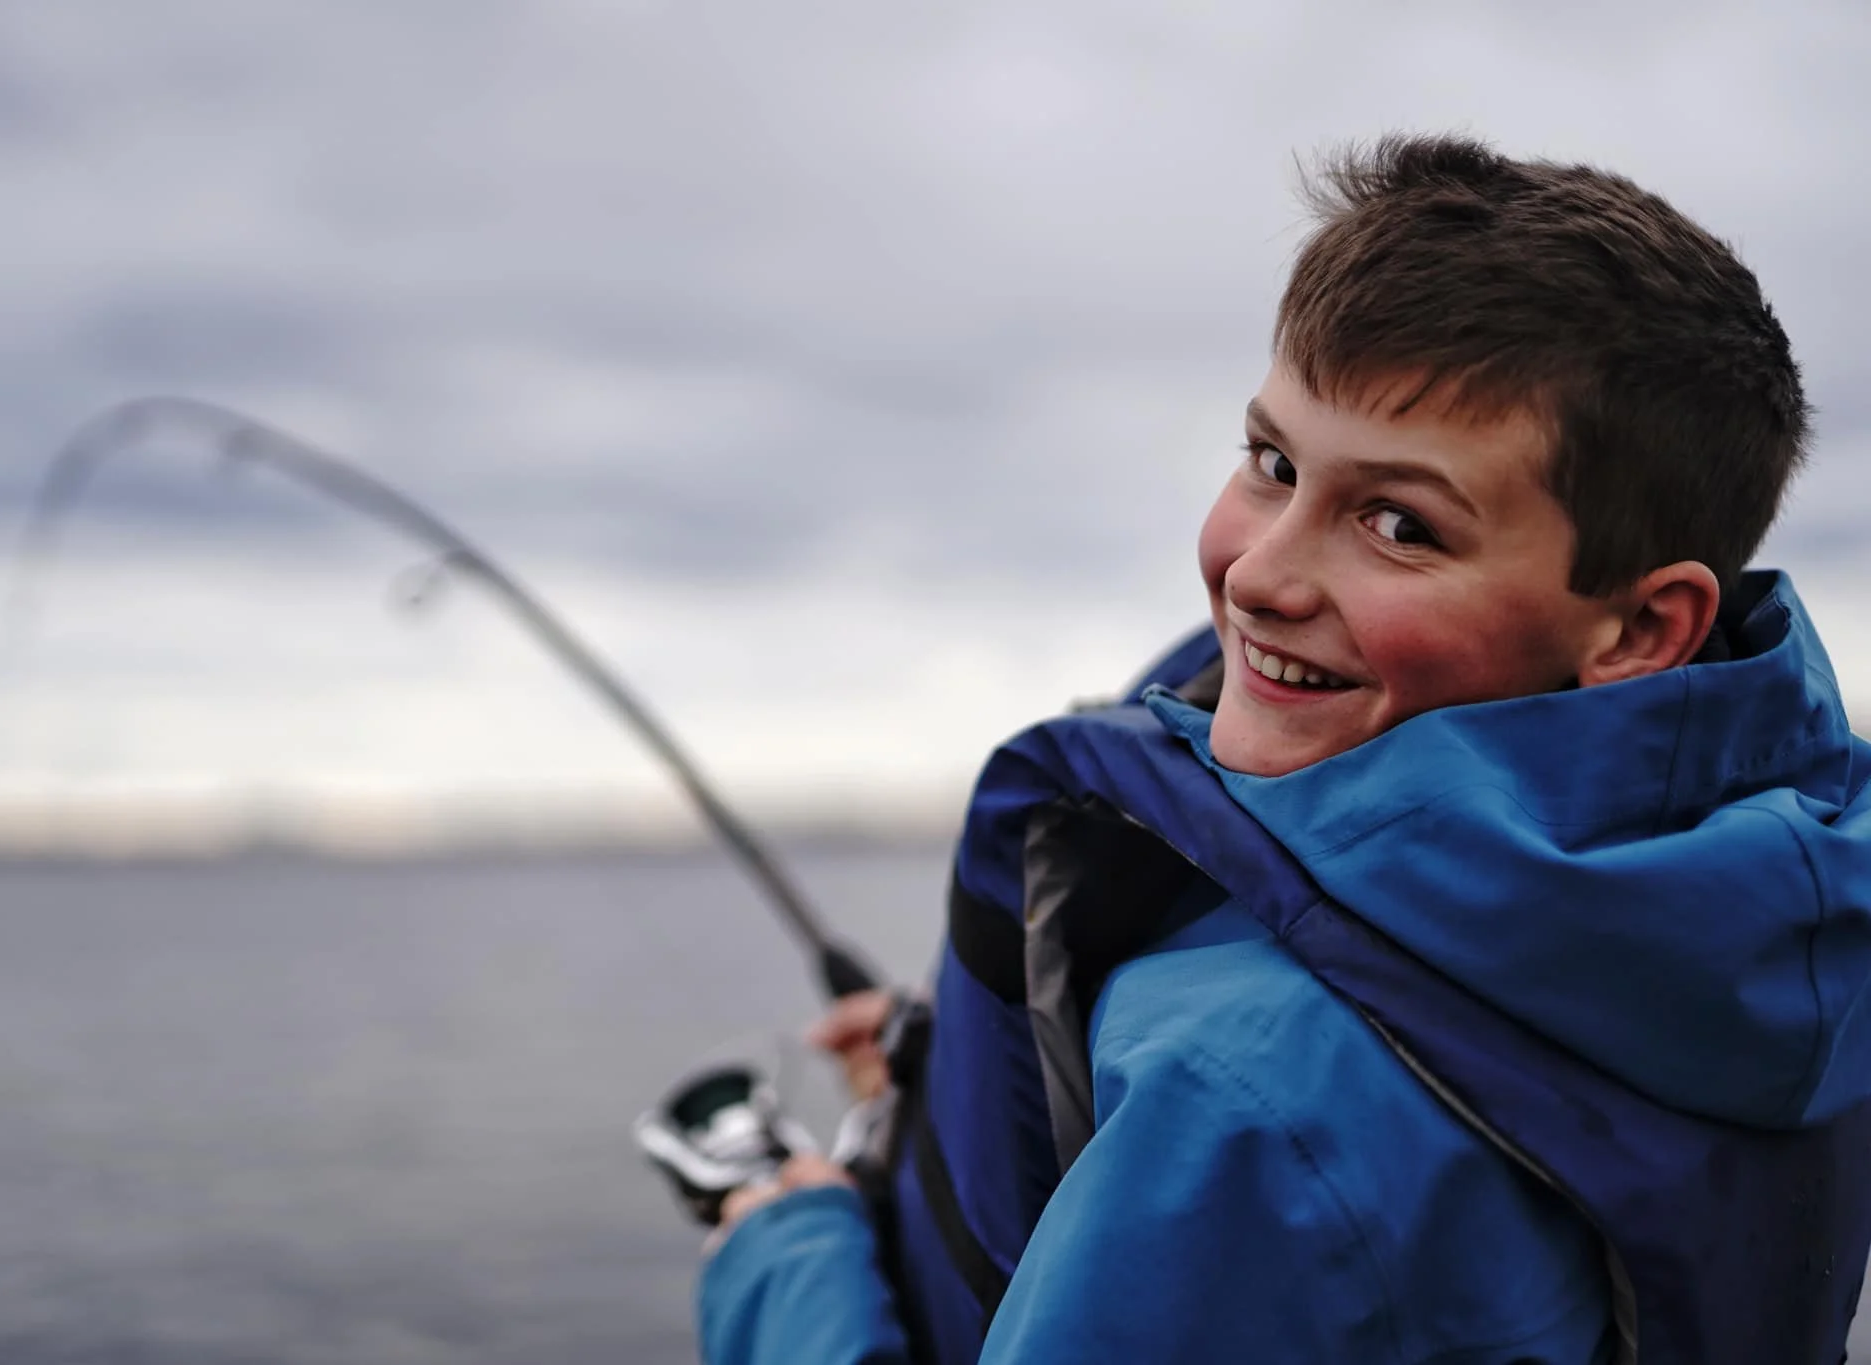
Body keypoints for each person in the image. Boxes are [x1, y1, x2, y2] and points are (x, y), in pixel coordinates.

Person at [690, 134, 1871, 1364]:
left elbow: (1305, 1127)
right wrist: (943, 1074)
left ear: (1636, 627)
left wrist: (785, 1262)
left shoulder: (1250, 1101)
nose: (1256, 573)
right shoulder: (1769, 922)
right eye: (1271, 464)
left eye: (1399, 524)